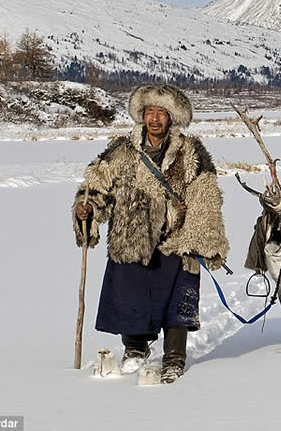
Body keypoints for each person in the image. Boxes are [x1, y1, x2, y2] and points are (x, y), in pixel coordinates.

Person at [71, 84, 228, 384]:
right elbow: (96, 185)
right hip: (131, 237)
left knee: (177, 302)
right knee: (132, 296)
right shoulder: (122, 151)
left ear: (172, 118)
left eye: (161, 113)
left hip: (176, 239)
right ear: (142, 116)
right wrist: (86, 208)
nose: (155, 119)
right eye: (149, 113)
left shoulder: (191, 152)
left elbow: (205, 194)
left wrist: (200, 238)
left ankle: (174, 357)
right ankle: (135, 350)